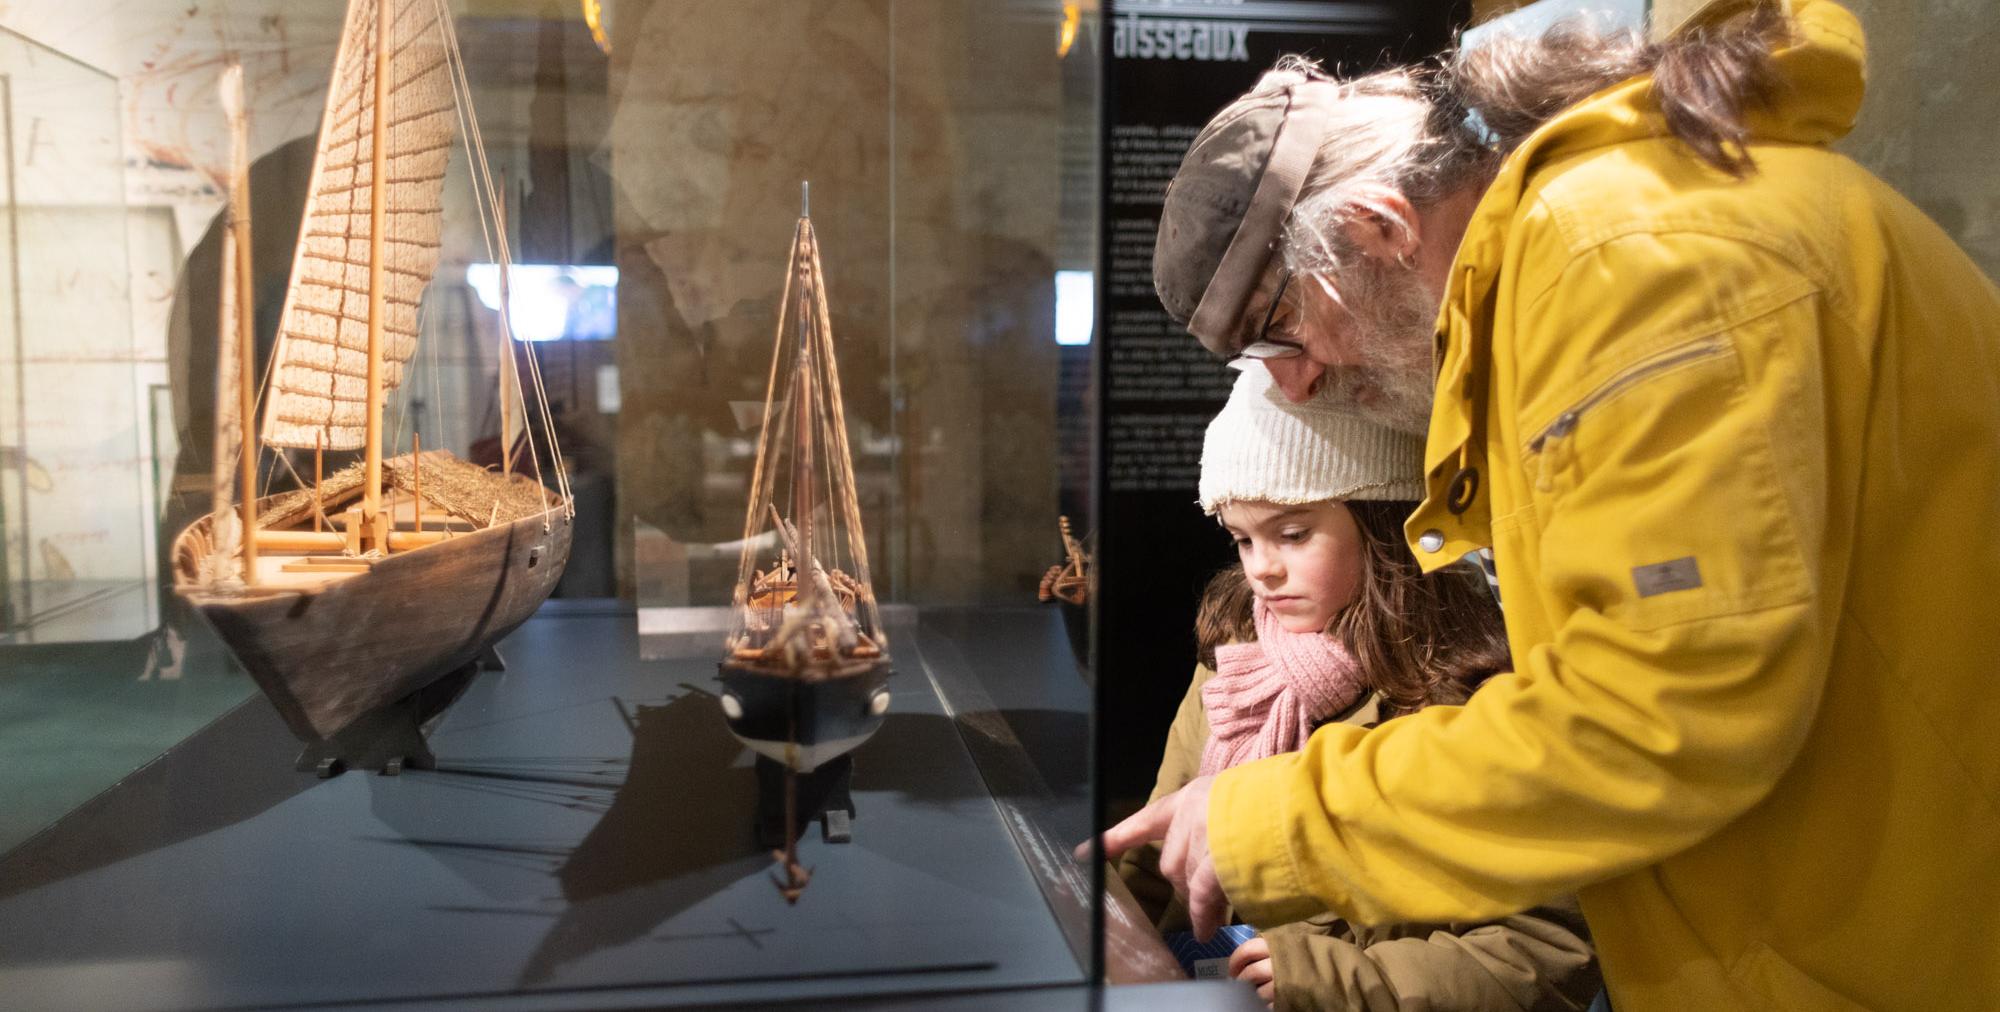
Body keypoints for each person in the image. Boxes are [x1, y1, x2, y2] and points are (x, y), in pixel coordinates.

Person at [1099, 1, 2000, 1009]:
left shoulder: (1621, 256)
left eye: (1281, 334)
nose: (1295, 387)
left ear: (1378, 228)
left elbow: (1656, 710)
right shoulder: (1610, 239)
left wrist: (1270, 821)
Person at [1116, 363, 1599, 1009]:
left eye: (1293, 533)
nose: (1263, 569)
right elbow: (1165, 849)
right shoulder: (1237, 659)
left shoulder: (1473, 693)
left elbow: (1540, 948)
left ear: (1382, 523)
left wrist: (1335, 979)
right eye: (1241, 539)